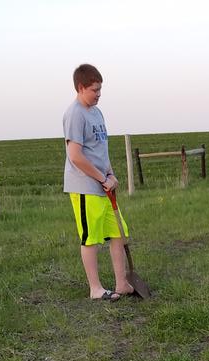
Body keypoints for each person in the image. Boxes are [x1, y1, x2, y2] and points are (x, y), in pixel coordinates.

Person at [63, 64, 133, 300]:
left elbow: (101, 149)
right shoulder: (75, 114)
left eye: (100, 89)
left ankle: (122, 283)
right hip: (85, 188)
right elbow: (75, 156)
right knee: (90, 237)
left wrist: (111, 175)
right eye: (94, 90)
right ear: (81, 87)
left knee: (118, 232)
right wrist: (102, 178)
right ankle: (95, 289)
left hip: (104, 186)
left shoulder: (97, 113)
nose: (99, 94)